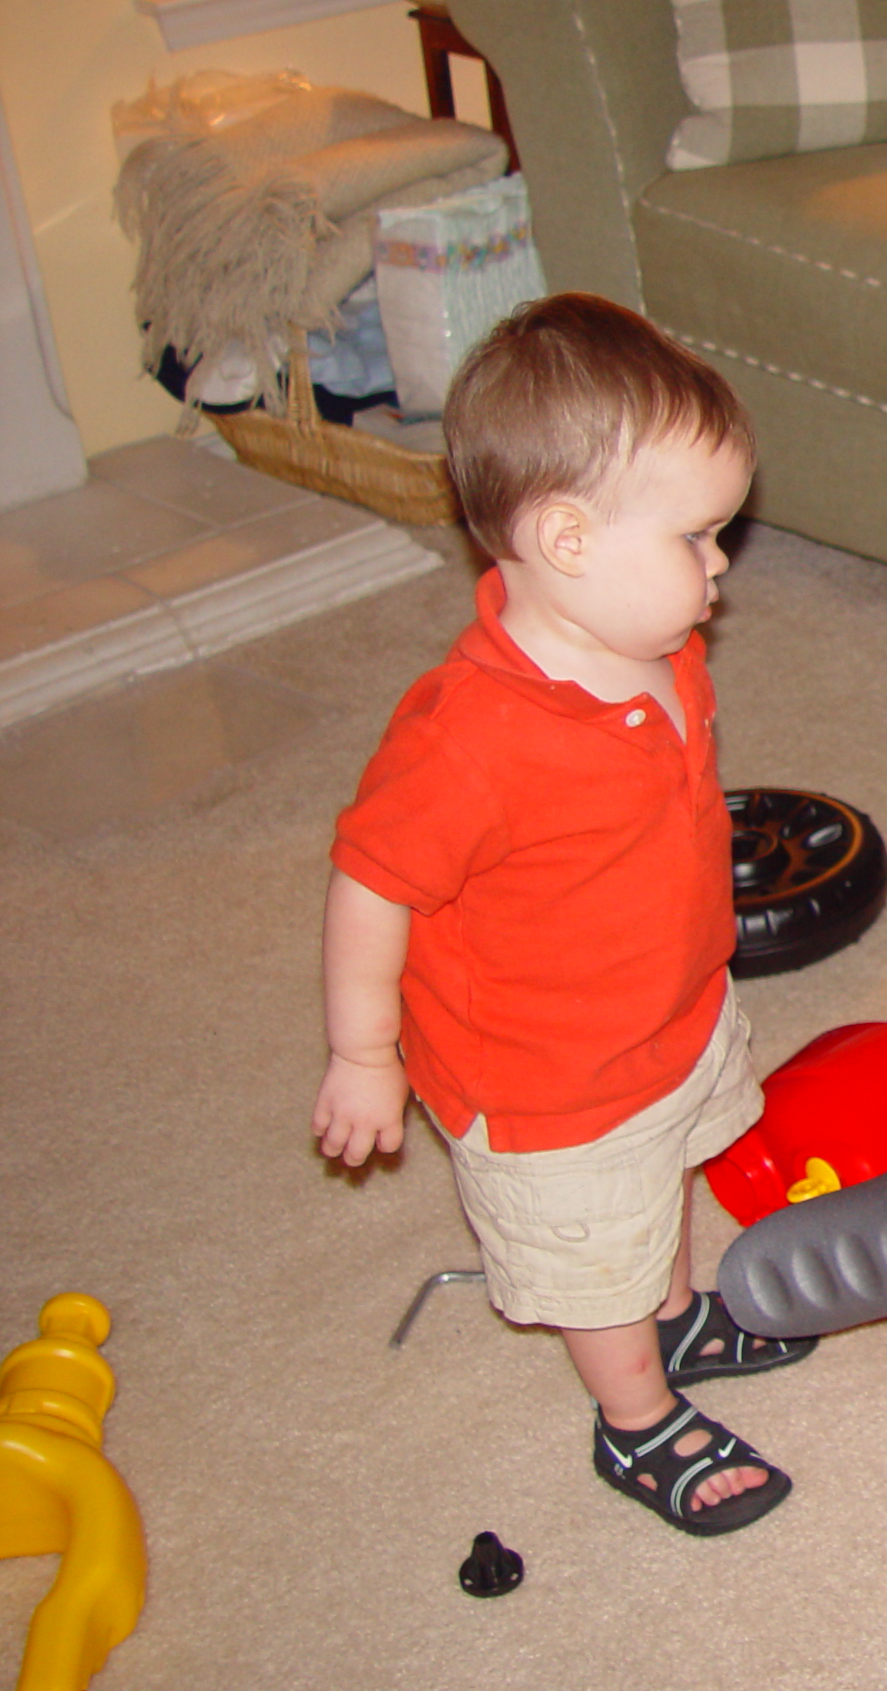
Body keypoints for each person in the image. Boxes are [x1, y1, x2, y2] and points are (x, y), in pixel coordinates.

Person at [312, 292, 813, 1535]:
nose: (719, 568)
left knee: (663, 1190)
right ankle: (638, 1422)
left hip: (669, 1012)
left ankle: (676, 1311)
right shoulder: (469, 743)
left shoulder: (660, 650)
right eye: (700, 539)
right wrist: (361, 1052)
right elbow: (372, 882)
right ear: (569, 540)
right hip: (549, 1086)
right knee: (598, 1256)